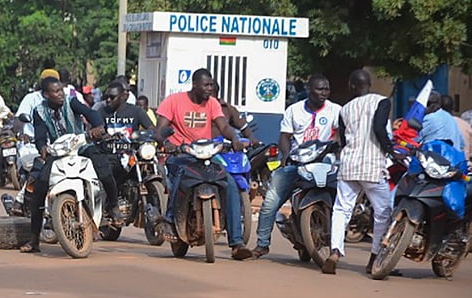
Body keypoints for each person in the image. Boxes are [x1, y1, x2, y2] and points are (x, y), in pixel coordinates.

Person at [154, 68, 253, 260]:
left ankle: (237, 243)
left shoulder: (212, 103)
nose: (210, 89)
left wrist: (234, 138)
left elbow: (223, 126)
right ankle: (170, 220)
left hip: (207, 153)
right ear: (195, 85)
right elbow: (159, 130)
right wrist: (167, 143)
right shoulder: (173, 101)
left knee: (230, 183)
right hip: (182, 154)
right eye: (206, 85)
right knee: (181, 174)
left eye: (211, 85)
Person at [18, 76, 121, 253]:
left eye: (61, 90)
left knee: (104, 171)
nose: (60, 94)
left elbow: (91, 114)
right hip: (57, 151)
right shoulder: (39, 111)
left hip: (82, 146)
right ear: (46, 94)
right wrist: (42, 147)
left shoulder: (72, 102)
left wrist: (98, 127)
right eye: (55, 91)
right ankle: (34, 238)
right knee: (39, 185)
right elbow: (41, 135)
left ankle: (113, 206)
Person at [251, 74, 341, 258]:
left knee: (344, 201)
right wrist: (286, 156)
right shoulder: (294, 110)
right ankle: (262, 244)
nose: (323, 93)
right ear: (309, 90)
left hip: (326, 163)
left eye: (326, 89)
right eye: (319, 89)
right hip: (298, 162)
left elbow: (341, 135)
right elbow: (285, 136)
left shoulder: (336, 110)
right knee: (270, 202)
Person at [322, 69, 393, 275]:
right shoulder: (382, 102)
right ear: (369, 83)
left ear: (352, 86)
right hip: (372, 166)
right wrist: (391, 151)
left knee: (341, 209)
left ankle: (335, 251)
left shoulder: (344, 109)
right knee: (382, 213)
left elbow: (343, 141)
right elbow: (380, 129)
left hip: (349, 165)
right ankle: (374, 258)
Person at [442, 95, 472, 160]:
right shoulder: (464, 124)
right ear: (453, 107)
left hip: (443, 162)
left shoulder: (437, 123)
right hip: (463, 161)